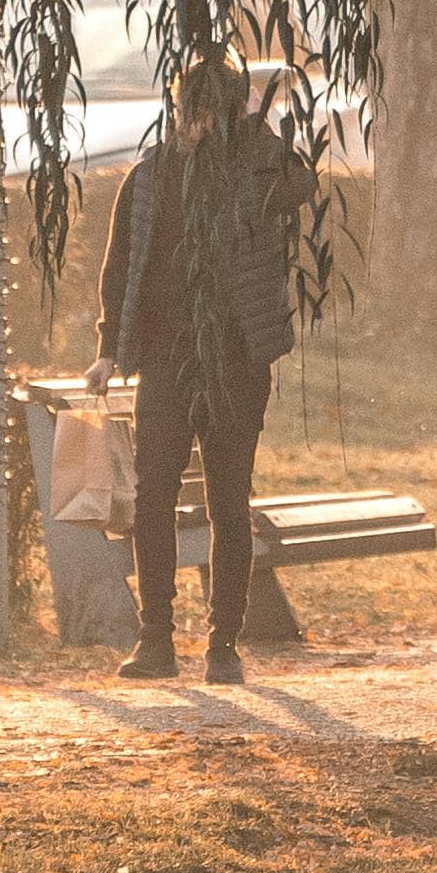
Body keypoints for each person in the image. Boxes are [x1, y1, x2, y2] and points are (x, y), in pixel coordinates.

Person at [93, 52, 302, 681]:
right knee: (152, 493)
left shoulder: (255, 171)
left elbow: (302, 184)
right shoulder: (152, 177)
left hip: (236, 362)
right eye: (193, 108)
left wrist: (254, 128)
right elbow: (121, 266)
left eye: (213, 109)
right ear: (179, 106)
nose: (198, 122)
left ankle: (222, 647)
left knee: (228, 504)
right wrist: (108, 349)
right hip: (164, 361)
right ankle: (155, 640)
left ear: (231, 111)